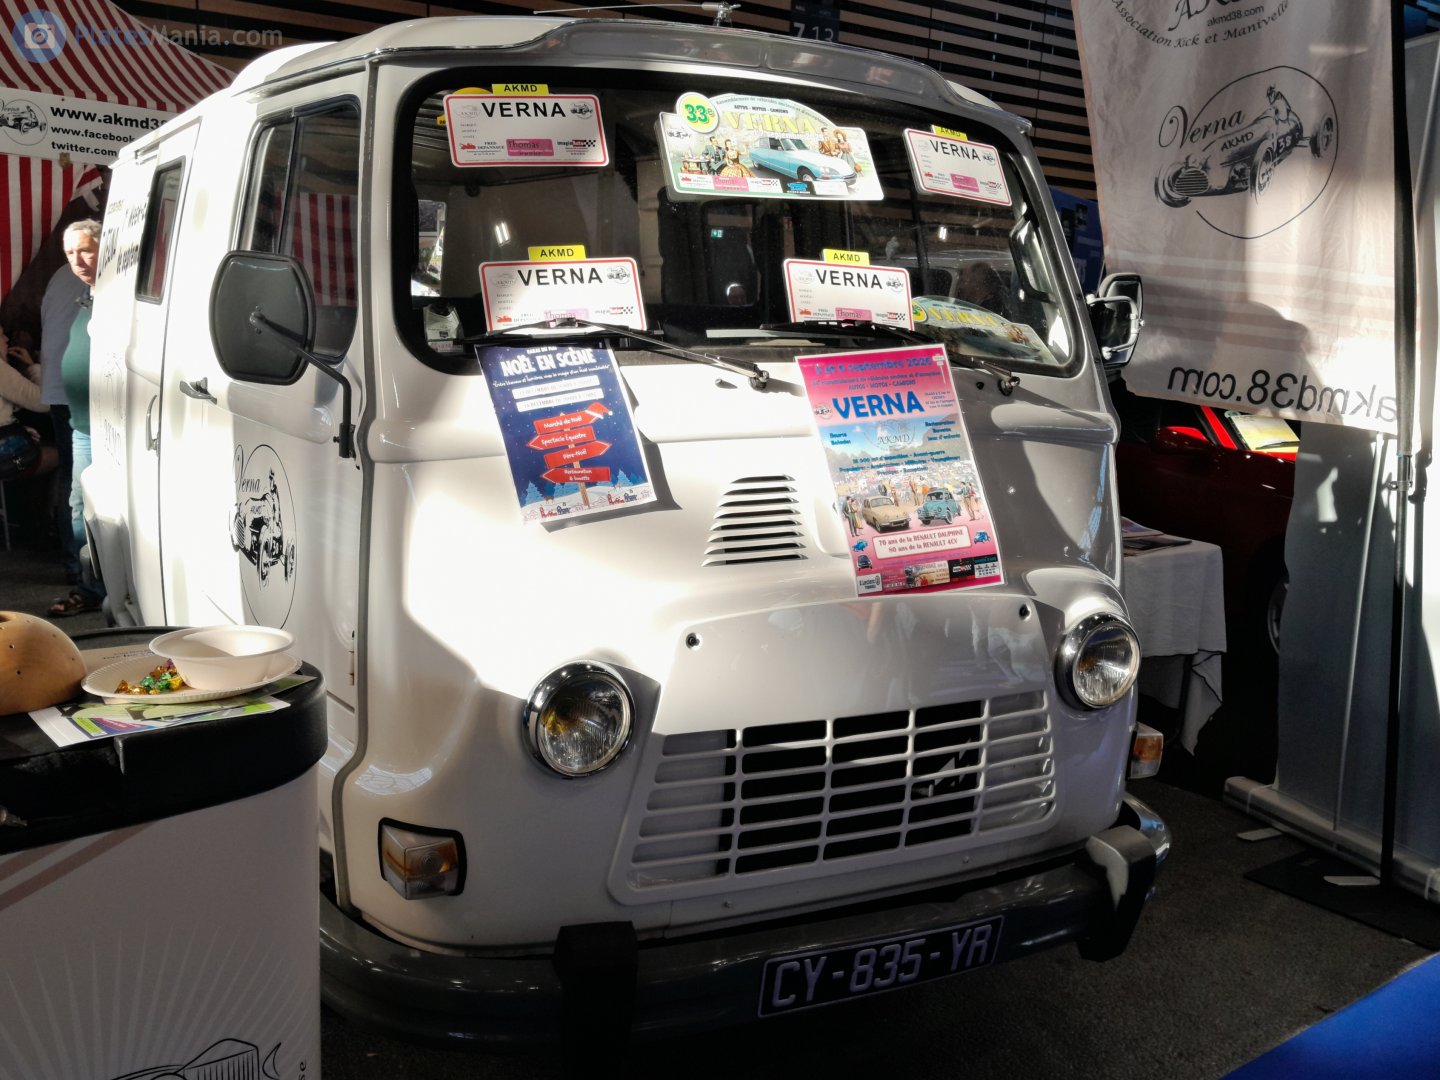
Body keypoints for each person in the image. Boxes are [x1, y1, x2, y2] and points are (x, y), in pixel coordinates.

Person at [44, 218, 106, 617]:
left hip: (111, 423)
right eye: (70, 253)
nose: (78, 260)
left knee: (105, 508)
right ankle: (90, 584)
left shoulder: (117, 294)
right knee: (80, 504)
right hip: (81, 422)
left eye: (85, 249)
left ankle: (104, 586)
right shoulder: (87, 293)